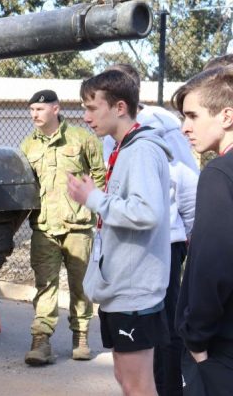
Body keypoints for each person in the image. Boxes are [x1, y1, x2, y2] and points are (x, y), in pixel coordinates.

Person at [67, 69, 171, 396]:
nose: (85, 117)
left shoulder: (141, 150)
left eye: (92, 108)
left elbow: (146, 212)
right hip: (120, 290)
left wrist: (94, 199)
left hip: (134, 294)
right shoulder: (123, 148)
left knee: (138, 386)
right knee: (126, 380)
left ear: (120, 107)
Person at [102, 64, 198, 396]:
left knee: (165, 330)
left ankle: (168, 388)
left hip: (163, 242)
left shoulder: (159, 127)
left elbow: (185, 179)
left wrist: (186, 234)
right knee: (134, 350)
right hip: (127, 248)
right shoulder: (112, 135)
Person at [19, 89, 105, 365]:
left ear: (55, 109)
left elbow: (100, 175)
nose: (35, 114)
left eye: (40, 109)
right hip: (45, 227)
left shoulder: (82, 139)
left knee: (80, 285)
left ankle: (80, 336)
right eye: (32, 110)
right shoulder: (28, 146)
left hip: (78, 227)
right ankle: (41, 341)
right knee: (45, 285)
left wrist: (97, 208)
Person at [173, 66, 233, 396]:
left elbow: (213, 268)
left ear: (226, 116)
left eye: (193, 116)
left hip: (221, 349)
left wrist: (196, 341)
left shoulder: (219, 175)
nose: (185, 128)